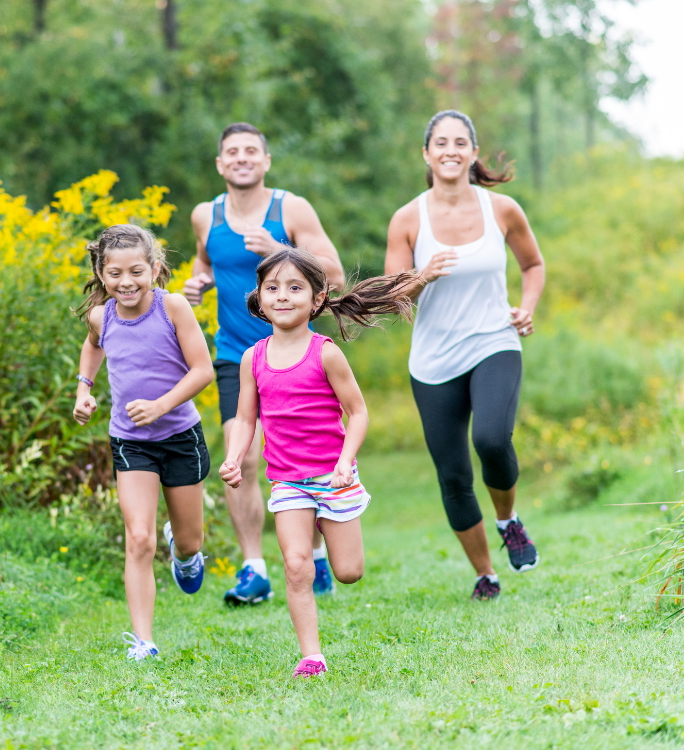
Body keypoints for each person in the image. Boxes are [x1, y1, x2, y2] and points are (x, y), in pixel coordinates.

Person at [219, 247, 418, 677]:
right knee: (294, 565)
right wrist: (234, 457)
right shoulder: (253, 358)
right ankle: (312, 656)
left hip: (334, 475)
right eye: (272, 288)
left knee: (349, 572)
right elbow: (245, 418)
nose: (282, 296)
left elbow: (359, 412)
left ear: (317, 298)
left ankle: (326, 536)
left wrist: (347, 460)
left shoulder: (325, 353)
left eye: (295, 288)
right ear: (259, 296)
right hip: (287, 481)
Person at [385, 110, 546, 601]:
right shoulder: (408, 219)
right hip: (433, 360)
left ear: (473, 153)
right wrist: (423, 275)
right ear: (426, 154)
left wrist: (527, 307)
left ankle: (508, 519)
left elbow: (533, 264)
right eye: (440, 142)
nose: (450, 150)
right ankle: (485, 573)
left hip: (494, 340)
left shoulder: (502, 209)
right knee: (453, 474)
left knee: (493, 439)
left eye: (460, 142)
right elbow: (394, 295)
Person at [184, 122, 345, 605]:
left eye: (251, 151)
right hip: (237, 354)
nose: (241, 158)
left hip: (297, 355)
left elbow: (332, 273)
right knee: (243, 456)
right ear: (220, 164)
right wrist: (199, 283)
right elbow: (207, 263)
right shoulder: (204, 215)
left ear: (266, 160)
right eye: (231, 152)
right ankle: (254, 567)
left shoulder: (290, 208)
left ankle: (314, 555)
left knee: (307, 458)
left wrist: (279, 252)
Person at [73, 224, 214, 660]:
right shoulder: (103, 315)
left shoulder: (172, 307)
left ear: (154, 269)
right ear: (101, 273)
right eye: (114, 274)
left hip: (179, 436)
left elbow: (203, 370)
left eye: (136, 271)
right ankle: (144, 641)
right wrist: (84, 389)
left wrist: (160, 405)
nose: (126, 282)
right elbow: (93, 345)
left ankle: (186, 553)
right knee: (138, 538)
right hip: (130, 441)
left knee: (190, 541)